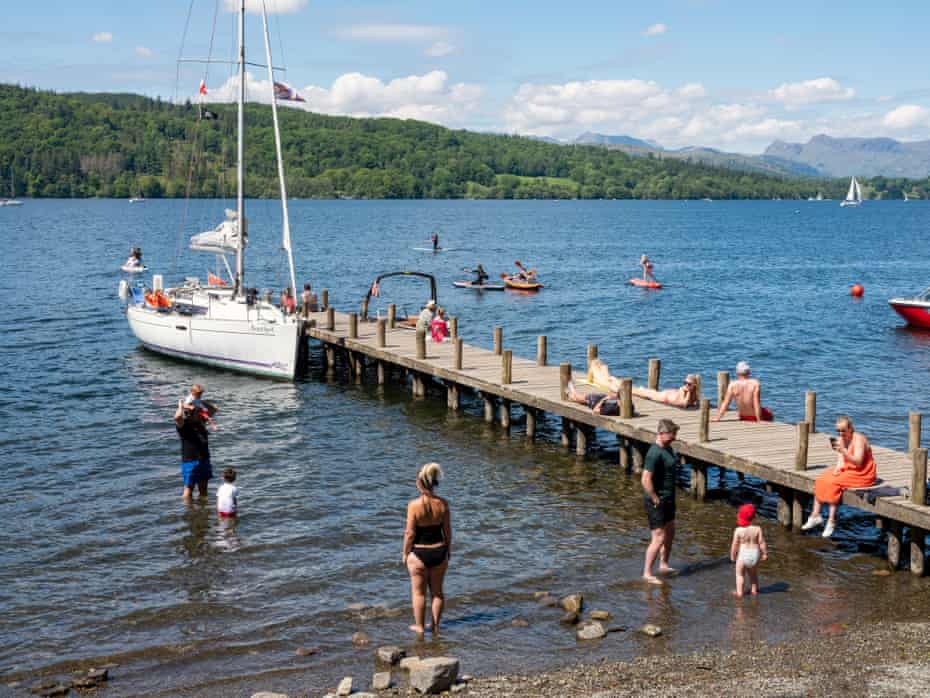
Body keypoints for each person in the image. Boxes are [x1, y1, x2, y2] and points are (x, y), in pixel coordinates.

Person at [801, 415, 877, 538]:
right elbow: (841, 460)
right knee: (822, 479)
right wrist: (837, 469)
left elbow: (858, 461)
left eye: (843, 430)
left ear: (850, 428)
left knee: (833, 483)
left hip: (863, 473)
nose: (841, 433)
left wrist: (843, 450)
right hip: (849, 469)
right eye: (839, 431)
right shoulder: (841, 439)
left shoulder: (859, 439)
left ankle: (831, 521)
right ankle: (815, 516)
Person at [403, 462, 451, 636]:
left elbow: (409, 533)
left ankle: (420, 628)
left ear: (420, 483)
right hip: (439, 551)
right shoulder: (443, 504)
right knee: (437, 593)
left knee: (418, 594)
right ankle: (436, 626)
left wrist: (405, 552)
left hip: (419, 553)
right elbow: (447, 530)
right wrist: (449, 550)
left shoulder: (413, 505)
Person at [642, 418, 680, 584]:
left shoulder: (668, 448)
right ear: (661, 434)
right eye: (672, 435)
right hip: (656, 501)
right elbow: (645, 479)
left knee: (670, 531)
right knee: (658, 537)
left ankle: (663, 564)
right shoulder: (654, 453)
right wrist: (654, 497)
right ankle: (647, 573)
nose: (674, 438)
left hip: (669, 498)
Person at [174, 384, 217, 499]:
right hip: (190, 461)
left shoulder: (202, 422)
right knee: (188, 489)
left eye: (198, 413)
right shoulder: (184, 425)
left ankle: (202, 511)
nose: (198, 414)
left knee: (203, 490)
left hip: (204, 458)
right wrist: (181, 405)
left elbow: (213, 410)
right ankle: (188, 511)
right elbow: (177, 418)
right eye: (196, 413)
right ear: (189, 415)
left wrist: (199, 402)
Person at [730, 503, 767, 597]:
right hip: (755, 554)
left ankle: (739, 593)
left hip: (743, 555)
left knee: (740, 575)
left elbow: (735, 545)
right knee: (753, 575)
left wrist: (733, 556)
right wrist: (764, 554)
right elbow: (762, 542)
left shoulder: (738, 530)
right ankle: (754, 591)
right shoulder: (758, 529)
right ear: (754, 517)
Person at [633, 375, 699, 408]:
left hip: (670, 395)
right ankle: (629, 389)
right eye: (685, 383)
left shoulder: (695, 392)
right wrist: (689, 392)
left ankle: (641, 389)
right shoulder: (683, 390)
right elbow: (684, 404)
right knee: (646, 394)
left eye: (689, 384)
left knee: (649, 392)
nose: (686, 385)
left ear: (694, 385)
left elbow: (696, 402)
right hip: (665, 397)